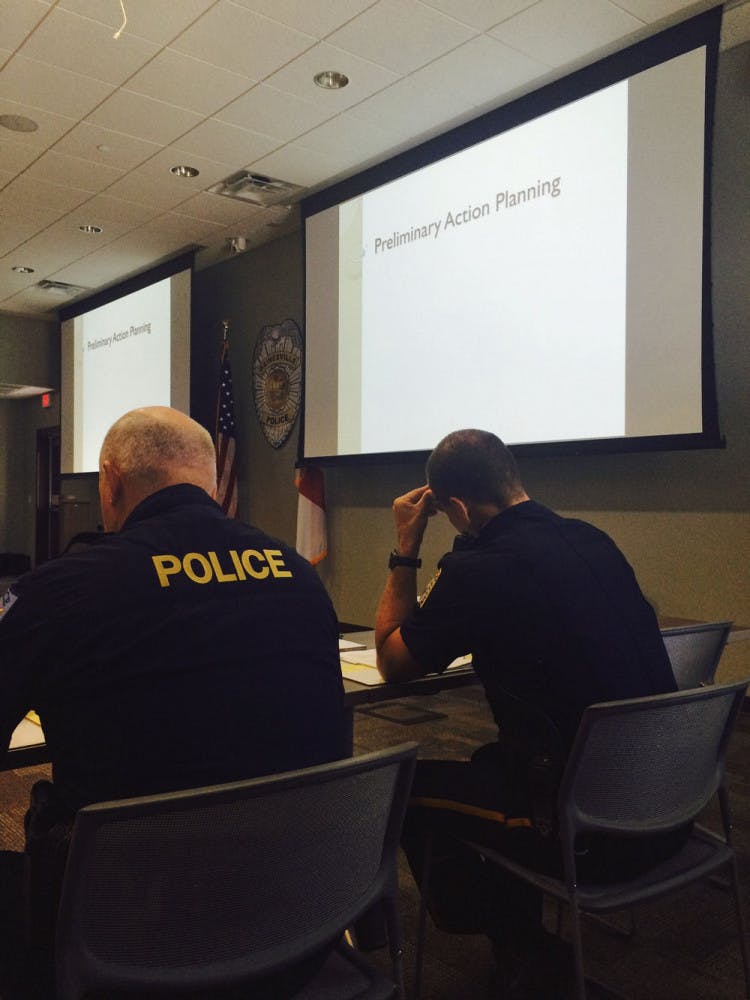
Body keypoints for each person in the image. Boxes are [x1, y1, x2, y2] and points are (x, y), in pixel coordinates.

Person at [0, 406, 347, 996]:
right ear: (209, 479)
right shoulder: (299, 575)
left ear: (110, 480)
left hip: (124, 932)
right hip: (298, 917)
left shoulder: (60, 591)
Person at [375, 428, 681, 998]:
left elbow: (393, 661)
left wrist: (406, 547)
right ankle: (520, 939)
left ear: (458, 507)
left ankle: (519, 942)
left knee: (404, 787)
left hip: (590, 834)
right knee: (490, 764)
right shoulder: (593, 539)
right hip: (670, 801)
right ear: (512, 478)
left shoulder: (478, 570)